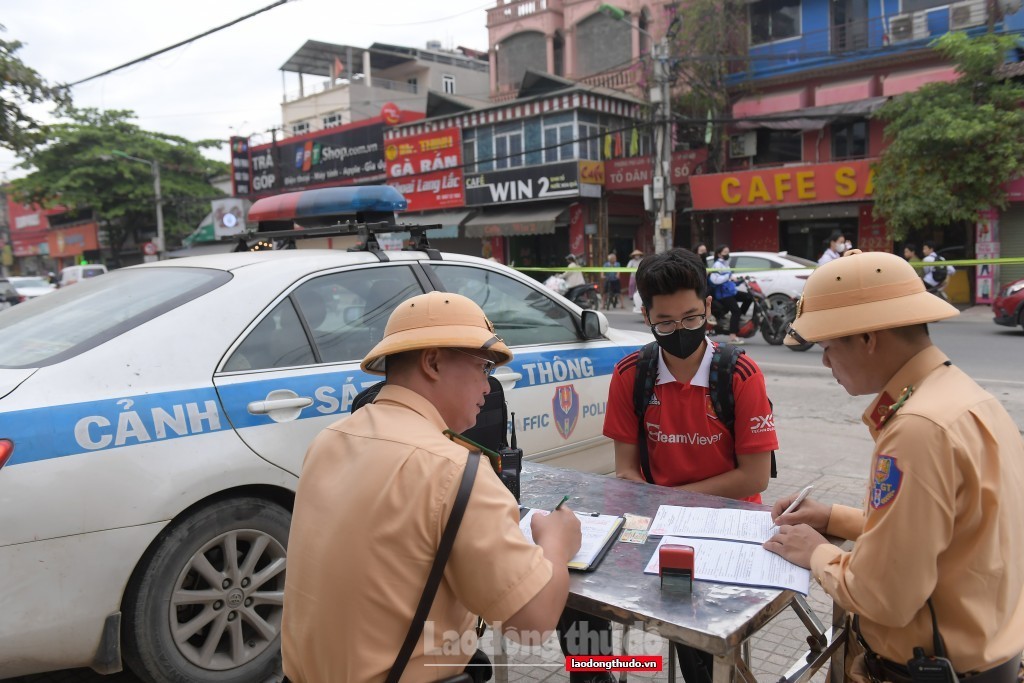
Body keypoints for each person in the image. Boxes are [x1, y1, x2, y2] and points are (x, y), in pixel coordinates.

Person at [282, 291, 583, 682]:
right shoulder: (455, 469)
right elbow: (533, 620)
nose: (488, 387)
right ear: (433, 362)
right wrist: (557, 542)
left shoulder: (330, 439)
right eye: (483, 368)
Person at [769, 251, 1024, 683]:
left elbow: (883, 595)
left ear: (868, 338)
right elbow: (941, 533)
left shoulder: (917, 429)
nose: (825, 362)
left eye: (828, 347)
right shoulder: (964, 397)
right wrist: (833, 517)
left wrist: (815, 552)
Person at [603, 248, 777, 683]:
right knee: (578, 597)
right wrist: (658, 515)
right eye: (665, 322)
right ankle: (595, 673)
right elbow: (626, 471)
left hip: (732, 527)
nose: (679, 331)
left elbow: (754, 477)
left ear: (708, 308)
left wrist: (671, 502)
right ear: (646, 316)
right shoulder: (631, 375)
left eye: (691, 317)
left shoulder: (740, 375)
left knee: (698, 635)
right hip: (660, 526)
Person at [708, 244, 750, 344]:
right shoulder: (717, 265)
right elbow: (715, 280)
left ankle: (739, 318)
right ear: (719, 254)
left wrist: (739, 280)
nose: (727, 254)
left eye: (728, 252)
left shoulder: (725, 264)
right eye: (725, 252)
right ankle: (732, 336)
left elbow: (729, 279)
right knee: (736, 312)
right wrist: (728, 276)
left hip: (730, 291)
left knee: (748, 297)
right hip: (723, 294)